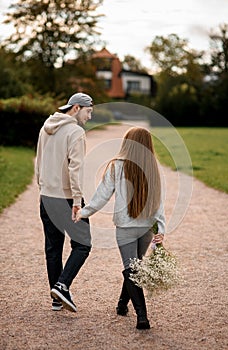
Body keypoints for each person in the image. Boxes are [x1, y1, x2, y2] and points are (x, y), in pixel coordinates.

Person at [75, 127, 165, 329]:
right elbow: (159, 201)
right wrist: (161, 229)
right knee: (134, 266)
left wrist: (84, 212)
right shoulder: (153, 166)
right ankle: (122, 304)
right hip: (146, 227)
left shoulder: (116, 166)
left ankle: (142, 317)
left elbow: (102, 195)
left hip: (125, 226)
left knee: (131, 268)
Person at [35, 92, 93, 313]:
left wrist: (44, 190)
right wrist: (77, 201)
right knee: (83, 244)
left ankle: (56, 299)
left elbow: (38, 163)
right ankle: (62, 285)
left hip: (47, 197)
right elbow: (75, 170)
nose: (89, 117)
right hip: (67, 198)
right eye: (88, 112)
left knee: (53, 247)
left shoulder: (45, 127)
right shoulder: (76, 132)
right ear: (76, 108)